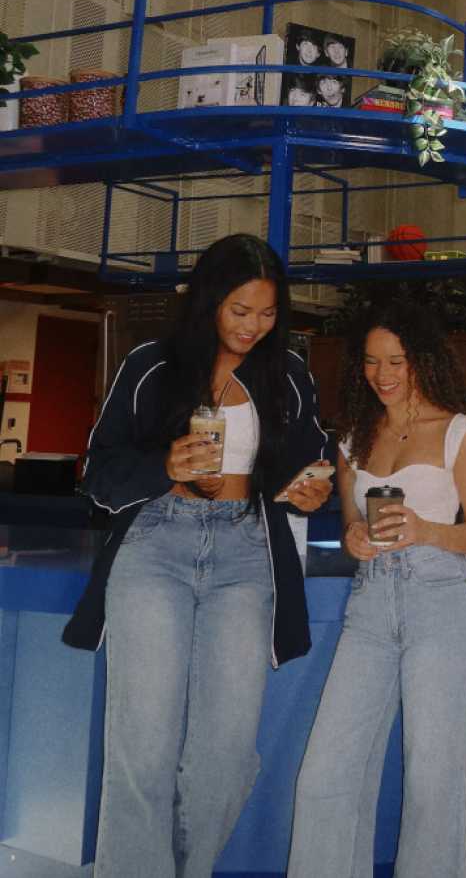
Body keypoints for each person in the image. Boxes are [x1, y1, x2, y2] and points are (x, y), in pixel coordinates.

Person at [62, 234, 332, 878]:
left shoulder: (288, 373)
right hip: (156, 544)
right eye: (239, 311)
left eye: (267, 314)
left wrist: (311, 486)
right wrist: (165, 465)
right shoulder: (151, 364)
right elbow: (98, 472)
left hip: (246, 551)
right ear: (210, 300)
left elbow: (311, 461)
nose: (252, 328)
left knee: (228, 751)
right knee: (143, 750)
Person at [288, 302, 466, 878]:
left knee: (433, 784)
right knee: (326, 773)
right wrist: (352, 534)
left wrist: (427, 530)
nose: (382, 374)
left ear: (422, 361)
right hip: (371, 605)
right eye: (372, 362)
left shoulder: (459, 433)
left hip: (443, 602)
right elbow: (351, 518)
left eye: (396, 361)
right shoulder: (355, 436)